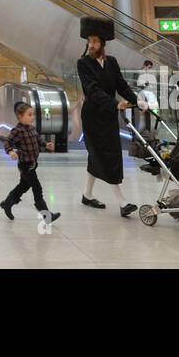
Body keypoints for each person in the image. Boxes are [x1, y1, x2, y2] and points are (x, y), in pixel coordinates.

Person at [76, 16, 141, 217]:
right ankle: (122, 202)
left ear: (102, 43)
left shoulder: (111, 62)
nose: (91, 44)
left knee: (98, 155)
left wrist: (137, 101)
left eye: (95, 41)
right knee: (105, 156)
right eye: (89, 41)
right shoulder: (83, 64)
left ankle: (87, 194)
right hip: (93, 117)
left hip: (109, 116)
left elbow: (121, 85)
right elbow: (92, 90)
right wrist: (115, 104)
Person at [0, 101, 59, 223]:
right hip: (25, 165)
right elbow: (7, 141)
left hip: (32, 163)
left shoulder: (31, 128)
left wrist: (46, 144)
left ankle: (7, 203)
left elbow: (38, 139)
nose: (32, 117)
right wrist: (10, 152)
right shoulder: (17, 131)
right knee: (37, 188)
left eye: (32, 114)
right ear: (20, 117)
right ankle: (46, 215)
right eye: (29, 114)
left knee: (23, 186)